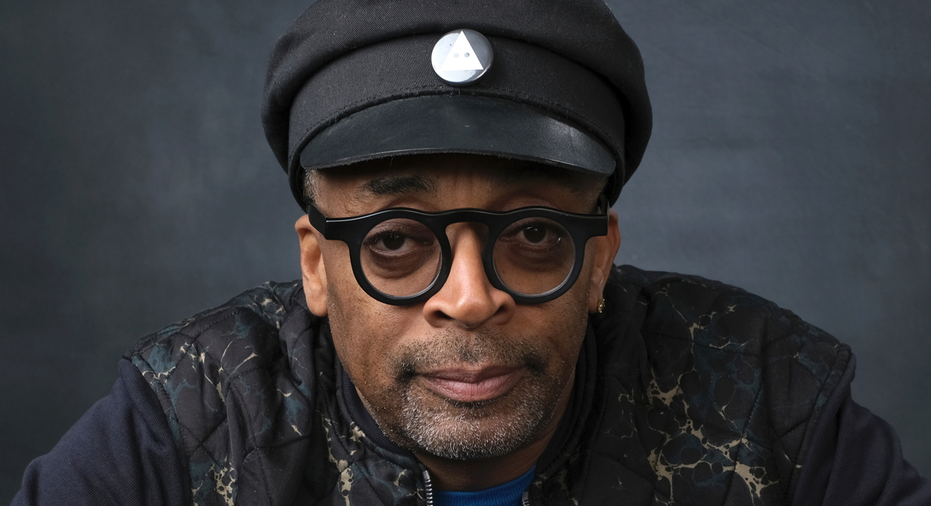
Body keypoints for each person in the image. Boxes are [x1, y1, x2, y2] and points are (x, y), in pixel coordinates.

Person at [12, 0, 931, 504]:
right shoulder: (188, 422)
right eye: (394, 240)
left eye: (533, 234)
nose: (468, 297)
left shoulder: (773, 402)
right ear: (315, 266)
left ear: (600, 259)